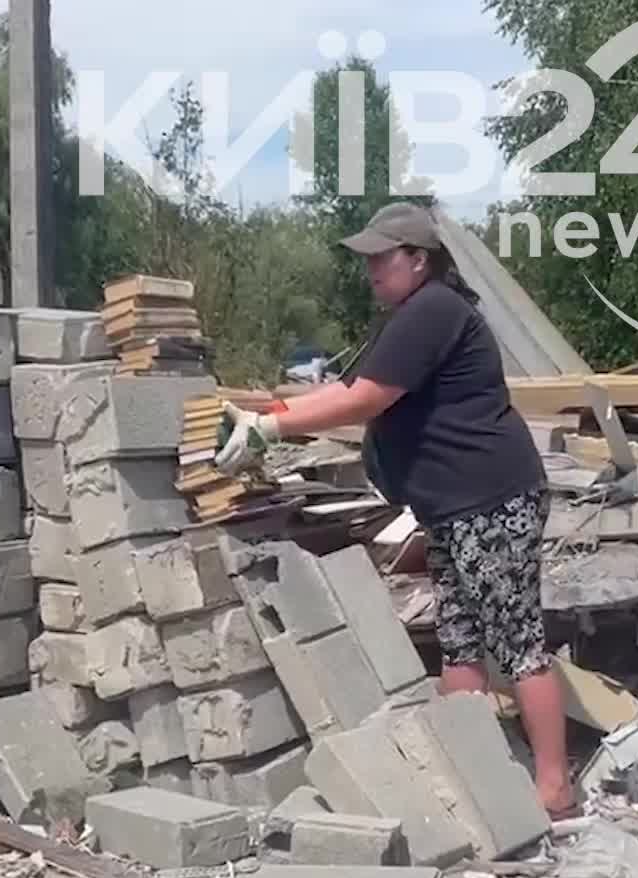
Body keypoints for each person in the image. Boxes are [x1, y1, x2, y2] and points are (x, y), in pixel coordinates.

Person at [217, 202, 577, 817]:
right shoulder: (409, 317)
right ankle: (477, 774)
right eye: (367, 260)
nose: (371, 271)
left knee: (517, 642)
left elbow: (364, 399)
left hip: (490, 498)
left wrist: (269, 431)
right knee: (460, 643)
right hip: (454, 507)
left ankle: (554, 788)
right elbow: (344, 388)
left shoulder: (435, 309)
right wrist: (272, 414)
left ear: (420, 259)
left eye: (381, 258)